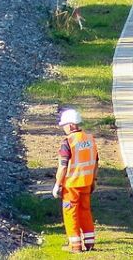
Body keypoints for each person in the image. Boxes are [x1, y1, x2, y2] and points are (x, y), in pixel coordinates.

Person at [52, 108, 98, 253]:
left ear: (71, 125)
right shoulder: (90, 139)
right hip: (87, 183)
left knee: (70, 213)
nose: (64, 128)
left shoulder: (68, 142)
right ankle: (90, 243)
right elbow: (96, 162)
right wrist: (94, 180)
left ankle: (75, 246)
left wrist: (57, 184)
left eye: (64, 125)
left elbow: (63, 167)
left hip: (71, 185)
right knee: (85, 211)